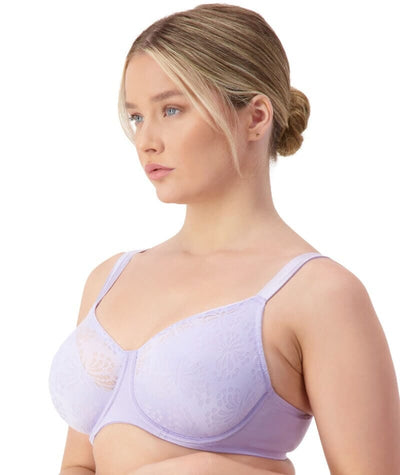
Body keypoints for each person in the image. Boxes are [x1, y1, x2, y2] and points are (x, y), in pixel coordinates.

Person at [49, 4, 400, 474]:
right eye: (136, 117)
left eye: (171, 109)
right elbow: (79, 464)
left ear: (256, 117)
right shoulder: (108, 279)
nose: (146, 140)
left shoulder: (319, 294)